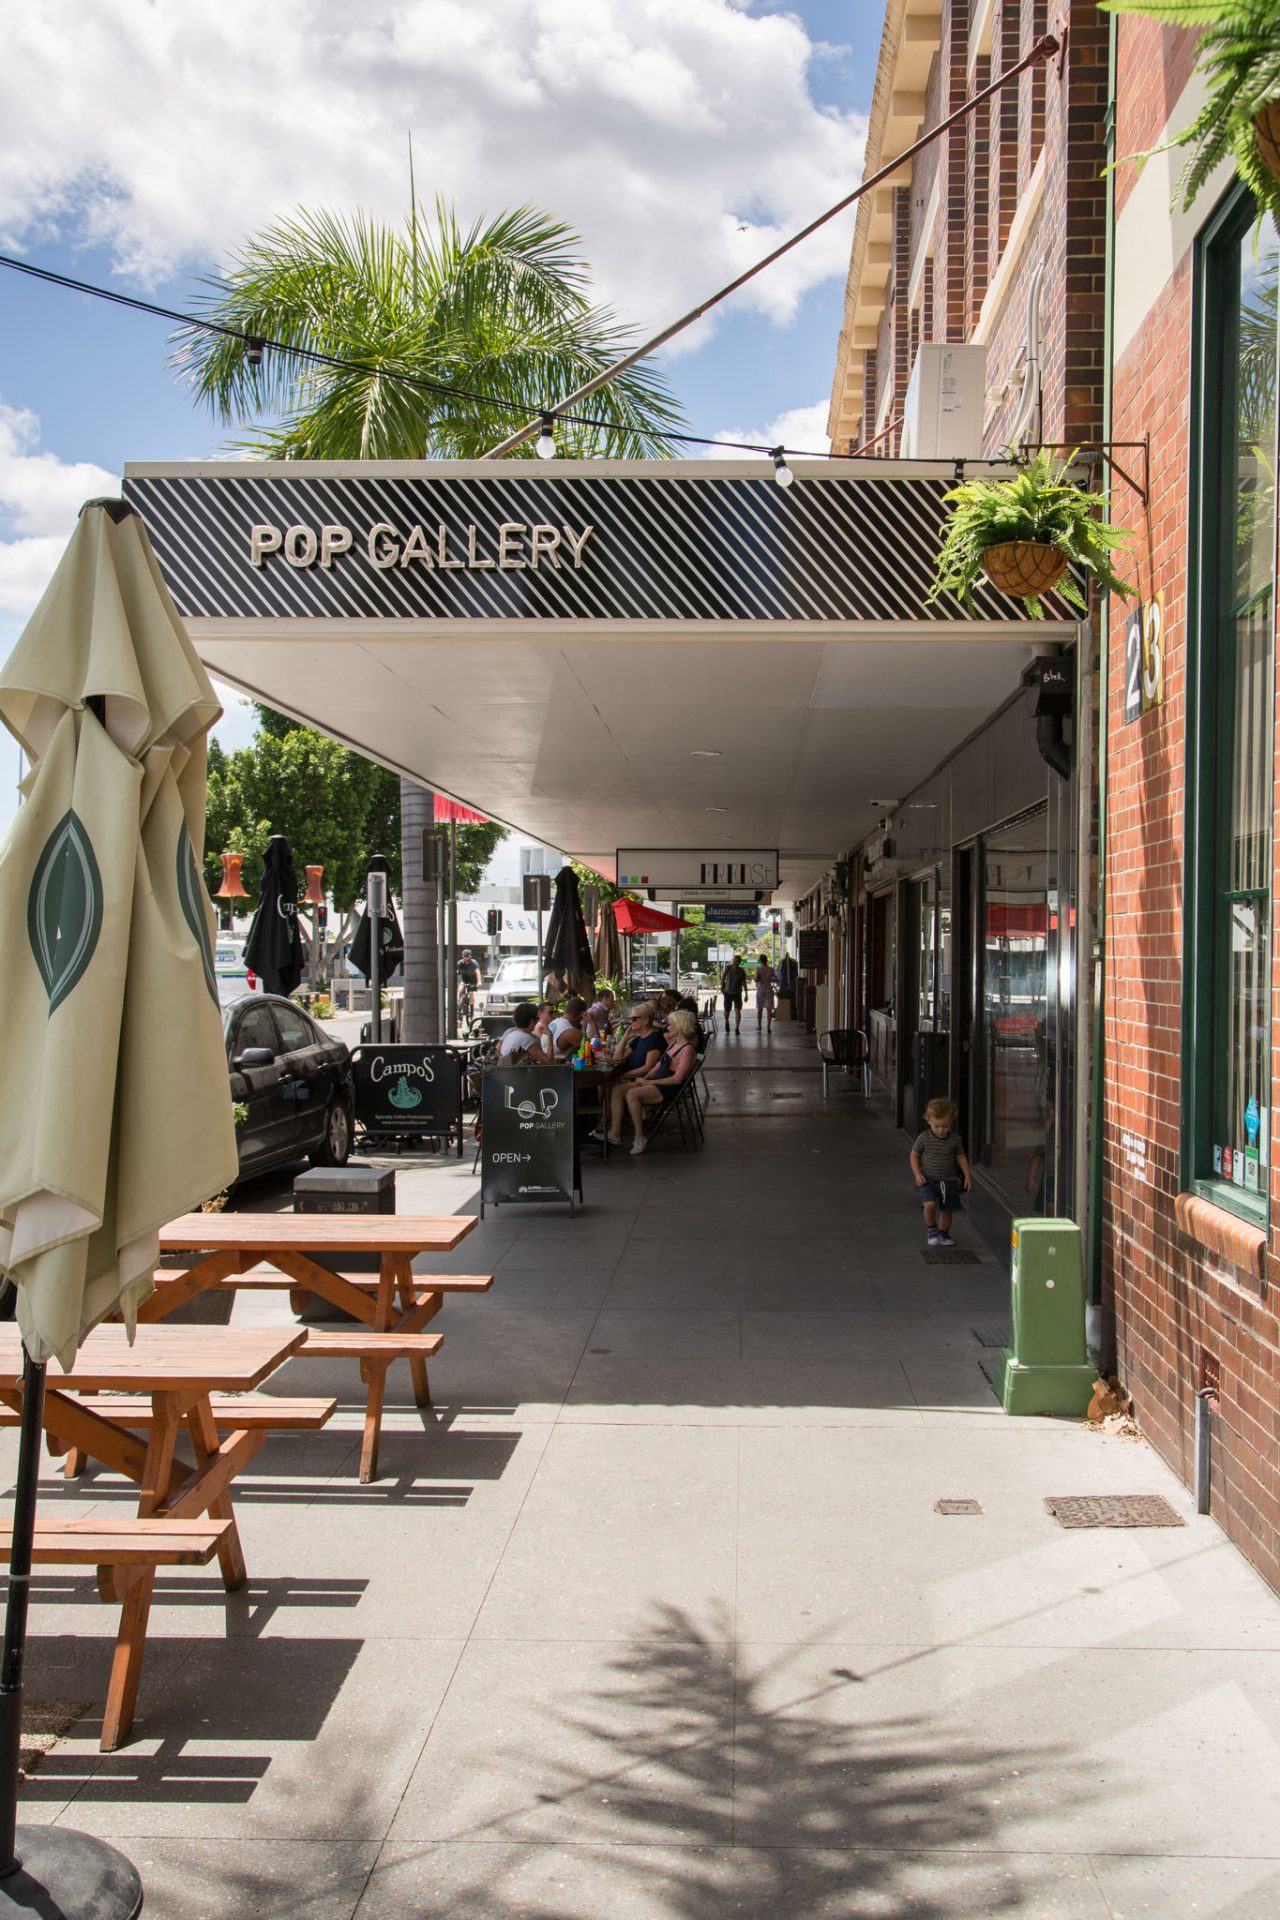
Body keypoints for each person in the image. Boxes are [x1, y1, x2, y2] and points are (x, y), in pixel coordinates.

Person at [598, 1009, 699, 1154]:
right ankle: (615, 1133)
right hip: (658, 1081)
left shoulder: (687, 1050)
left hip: (669, 1088)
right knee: (617, 1090)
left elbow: (677, 1079)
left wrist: (649, 1083)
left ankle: (640, 1137)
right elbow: (658, 1066)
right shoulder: (672, 1044)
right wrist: (645, 1079)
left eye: (670, 1024)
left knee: (632, 1094)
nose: (667, 1027)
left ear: (680, 1026)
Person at [910, 1096, 973, 1247]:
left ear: (951, 1122)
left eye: (945, 1126)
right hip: (928, 1179)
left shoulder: (954, 1140)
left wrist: (967, 1175)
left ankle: (943, 1233)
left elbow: (961, 1156)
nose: (940, 1130)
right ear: (928, 1121)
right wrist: (917, 1174)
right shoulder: (924, 1138)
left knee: (947, 1210)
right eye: (937, 1126)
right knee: (929, 1205)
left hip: (948, 1181)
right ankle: (932, 1228)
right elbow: (914, 1155)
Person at [608, 1001, 664, 1076]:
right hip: (630, 1077)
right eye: (631, 1019)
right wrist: (625, 1037)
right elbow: (617, 1058)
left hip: (640, 1081)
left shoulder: (655, 1038)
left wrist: (623, 1076)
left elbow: (648, 1068)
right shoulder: (640, 1038)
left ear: (646, 1020)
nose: (631, 1022)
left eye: (634, 1019)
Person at [721, 956, 747, 1034]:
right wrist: (722, 987)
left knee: (738, 1010)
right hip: (728, 992)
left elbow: (743, 983)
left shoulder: (741, 971)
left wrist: (746, 993)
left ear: (739, 962)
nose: (735, 962)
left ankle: (737, 1028)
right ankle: (726, 1022)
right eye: (734, 961)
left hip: (737, 993)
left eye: (737, 961)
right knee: (726, 1011)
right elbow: (723, 978)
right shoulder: (728, 968)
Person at [754, 953, 777, 1032]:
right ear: (766, 960)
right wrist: (769, 979)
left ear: (760, 961)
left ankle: (759, 1026)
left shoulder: (758, 969)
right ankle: (768, 1027)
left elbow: (756, 979)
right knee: (769, 1009)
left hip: (760, 990)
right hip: (768, 989)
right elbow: (775, 979)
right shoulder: (771, 969)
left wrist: (759, 978)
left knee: (759, 1008)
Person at [456, 948, 480, 1021]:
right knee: (460, 991)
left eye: (467, 956)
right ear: (462, 956)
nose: (466, 957)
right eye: (464, 956)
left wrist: (479, 981)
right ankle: (461, 1005)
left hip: (473, 981)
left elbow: (477, 972)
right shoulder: (460, 963)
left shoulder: (474, 963)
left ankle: (471, 1010)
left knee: (471, 993)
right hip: (464, 980)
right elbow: (455, 971)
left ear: (470, 956)